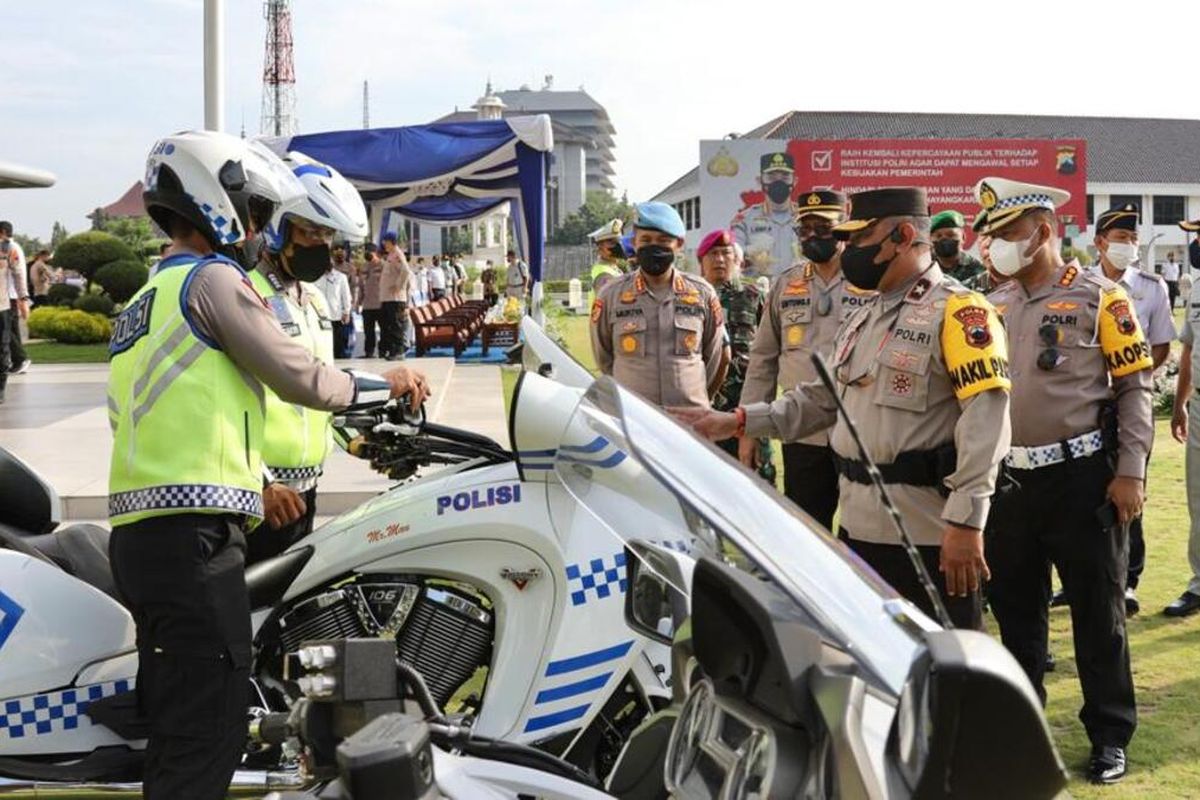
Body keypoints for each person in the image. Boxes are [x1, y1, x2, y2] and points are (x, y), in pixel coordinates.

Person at [107, 130, 430, 800]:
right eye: (253, 210)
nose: (258, 227)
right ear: (212, 201)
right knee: (212, 722)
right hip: (198, 536)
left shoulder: (143, 300)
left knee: (183, 715)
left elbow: (128, 415)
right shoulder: (216, 280)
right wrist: (388, 384)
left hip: (147, 534)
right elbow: (302, 379)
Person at [677, 187, 1011, 632]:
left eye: (861, 237)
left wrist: (967, 523)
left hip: (927, 533)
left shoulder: (960, 311)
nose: (850, 248)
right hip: (858, 530)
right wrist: (739, 420)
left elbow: (986, 421)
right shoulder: (865, 314)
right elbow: (820, 399)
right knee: (875, 668)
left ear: (904, 235)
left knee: (945, 675)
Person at [978, 177, 1151, 784]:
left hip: (1083, 480)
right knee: (1016, 618)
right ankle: (1023, 736)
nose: (995, 246)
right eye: (992, 236)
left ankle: (1109, 736)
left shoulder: (1102, 298)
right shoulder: (991, 306)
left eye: (1006, 234)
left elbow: (1134, 389)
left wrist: (1130, 472)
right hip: (1009, 486)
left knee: (1097, 616)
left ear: (1044, 232)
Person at [245, 152, 367, 562]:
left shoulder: (313, 300)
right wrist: (258, 484)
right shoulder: (245, 295)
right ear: (279, 228)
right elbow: (222, 407)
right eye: (312, 232)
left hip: (305, 490)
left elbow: (321, 387)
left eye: (329, 235)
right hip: (262, 497)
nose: (323, 245)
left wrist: (355, 441)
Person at [742, 190, 872, 528]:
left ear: (844, 228)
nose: (813, 235)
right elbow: (763, 360)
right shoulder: (786, 285)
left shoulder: (871, 280)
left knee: (862, 530)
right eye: (805, 229)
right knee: (806, 528)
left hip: (859, 429)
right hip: (802, 431)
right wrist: (750, 428)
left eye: (823, 227)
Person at [1082, 203, 1174, 615]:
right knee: (1082, 492)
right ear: (1100, 242)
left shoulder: (1152, 287)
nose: (1129, 246)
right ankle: (1082, 579)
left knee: (1129, 491)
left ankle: (1129, 580)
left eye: (1133, 239)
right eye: (1121, 239)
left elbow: (1161, 346)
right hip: (1085, 407)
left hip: (1129, 408)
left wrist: (1127, 380)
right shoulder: (1080, 285)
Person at [590, 201, 727, 409]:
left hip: (690, 422)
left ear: (679, 245)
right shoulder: (610, 296)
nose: (654, 246)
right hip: (634, 420)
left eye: (663, 241)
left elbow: (714, 356)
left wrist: (693, 394)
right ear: (634, 242)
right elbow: (604, 359)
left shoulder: (703, 294)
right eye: (646, 239)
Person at [697, 228, 774, 483]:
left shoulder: (754, 297)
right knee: (706, 482)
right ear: (701, 263)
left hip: (748, 407)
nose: (719, 259)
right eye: (713, 254)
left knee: (757, 481)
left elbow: (771, 353)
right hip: (703, 410)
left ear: (737, 260)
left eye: (725, 253)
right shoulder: (690, 299)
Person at [1165, 215, 1200, 618]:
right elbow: (1188, 351)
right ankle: (1198, 583)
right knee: (1198, 498)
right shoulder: (1196, 290)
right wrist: (1179, 404)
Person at [731, 152, 799, 276]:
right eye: (771, 177)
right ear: (760, 180)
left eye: (785, 177)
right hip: (759, 291)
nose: (778, 183)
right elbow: (734, 258)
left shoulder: (806, 219)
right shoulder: (744, 220)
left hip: (799, 290)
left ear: (794, 181)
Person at [0, 226, 29, 402]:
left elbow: (18, 273)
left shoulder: (6, 248)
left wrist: (23, 298)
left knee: (2, 348)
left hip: (1, 306)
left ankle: (0, 389)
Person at [930, 210, 988, 290]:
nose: (944, 239)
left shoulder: (977, 269)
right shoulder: (925, 266)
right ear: (930, 240)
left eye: (951, 235)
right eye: (938, 236)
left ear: (963, 237)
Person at [379, 232, 411, 360]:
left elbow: (406, 271)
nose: (384, 244)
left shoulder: (397, 254)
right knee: (389, 325)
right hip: (388, 298)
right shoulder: (391, 255)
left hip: (395, 298)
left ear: (391, 241)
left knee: (396, 325)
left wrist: (398, 286)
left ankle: (399, 351)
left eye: (385, 242)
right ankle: (393, 350)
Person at [588, 218, 627, 305]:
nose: (618, 246)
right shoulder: (604, 274)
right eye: (612, 243)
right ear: (600, 247)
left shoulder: (613, 268)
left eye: (618, 242)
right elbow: (609, 305)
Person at [358, 243, 384, 358]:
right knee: (368, 331)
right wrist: (358, 302)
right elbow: (361, 286)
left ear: (375, 252)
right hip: (367, 305)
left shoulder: (383, 265)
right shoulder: (364, 267)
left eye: (369, 251)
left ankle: (384, 351)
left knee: (384, 330)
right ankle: (369, 352)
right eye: (365, 251)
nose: (367, 254)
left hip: (381, 304)